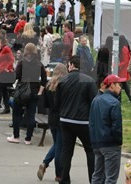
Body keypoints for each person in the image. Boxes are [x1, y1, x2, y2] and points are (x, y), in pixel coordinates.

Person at [56, 55, 98, 184]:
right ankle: (93, 179)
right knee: (90, 150)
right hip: (83, 121)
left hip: (65, 120)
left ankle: (64, 179)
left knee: (67, 151)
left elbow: (57, 103)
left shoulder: (62, 81)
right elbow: (94, 102)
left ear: (71, 65)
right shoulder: (88, 81)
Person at [7, 43, 47, 145]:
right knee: (31, 115)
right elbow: (44, 81)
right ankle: (28, 139)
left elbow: (15, 77)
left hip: (21, 92)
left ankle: (16, 137)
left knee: (16, 114)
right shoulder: (39, 64)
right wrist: (40, 92)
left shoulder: (21, 63)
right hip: (34, 92)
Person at [89, 74, 124, 184]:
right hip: (110, 144)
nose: (120, 87)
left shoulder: (96, 100)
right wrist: (118, 141)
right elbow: (116, 126)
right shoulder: (114, 103)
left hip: (97, 143)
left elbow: (91, 122)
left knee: (97, 175)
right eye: (118, 84)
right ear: (112, 85)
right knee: (111, 177)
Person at [37, 63, 68, 182]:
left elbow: (45, 104)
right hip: (61, 117)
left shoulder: (49, 85)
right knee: (60, 146)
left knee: (57, 144)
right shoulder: (64, 85)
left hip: (51, 117)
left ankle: (45, 164)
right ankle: (58, 173)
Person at [0, 30, 14, 114]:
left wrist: (7, 68)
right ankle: (7, 107)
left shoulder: (6, 48)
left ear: (0, 40)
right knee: (4, 90)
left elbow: (12, 59)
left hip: (5, 73)